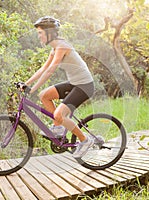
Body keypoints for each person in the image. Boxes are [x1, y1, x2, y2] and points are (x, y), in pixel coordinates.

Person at [23, 16, 95, 158]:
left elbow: (51, 71)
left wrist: (33, 88)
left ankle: (85, 140)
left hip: (85, 85)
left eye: (40, 33)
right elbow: (44, 68)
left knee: (59, 114)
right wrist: (27, 83)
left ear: (49, 33)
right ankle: (58, 127)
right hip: (75, 83)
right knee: (44, 96)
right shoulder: (54, 48)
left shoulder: (62, 46)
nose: (39, 37)